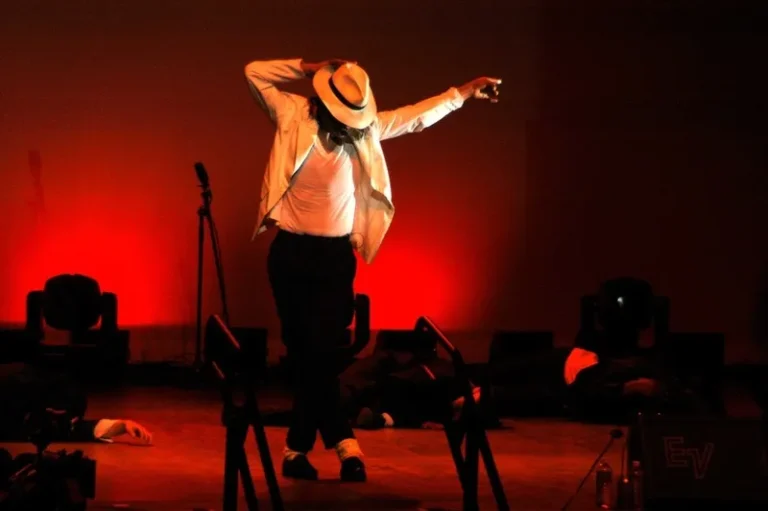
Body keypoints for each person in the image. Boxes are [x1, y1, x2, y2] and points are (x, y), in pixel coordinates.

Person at [245, 57, 501, 482]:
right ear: (324, 105)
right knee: (307, 354)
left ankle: (303, 448)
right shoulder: (291, 114)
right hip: (291, 255)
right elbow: (253, 72)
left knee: (321, 356)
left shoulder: (365, 132)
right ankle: (332, 444)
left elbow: (415, 118)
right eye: (342, 116)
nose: (350, 126)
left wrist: (463, 93)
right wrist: (307, 66)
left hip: (334, 260)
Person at [0, 363, 152, 444]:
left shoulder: (59, 422)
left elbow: (88, 428)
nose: (71, 424)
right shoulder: (13, 408)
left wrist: (123, 425)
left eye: (73, 420)